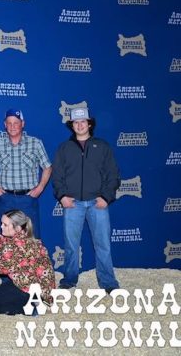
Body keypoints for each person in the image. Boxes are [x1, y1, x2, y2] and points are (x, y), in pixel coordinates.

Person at [52, 107, 121, 292]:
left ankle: (108, 282)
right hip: (72, 204)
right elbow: (57, 175)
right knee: (71, 245)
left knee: (103, 245)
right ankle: (69, 279)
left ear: (89, 124)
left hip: (97, 204)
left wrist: (106, 197)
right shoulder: (64, 148)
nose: (80, 125)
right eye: (76, 122)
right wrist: (62, 196)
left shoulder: (102, 146)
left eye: (83, 121)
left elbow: (113, 174)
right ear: (72, 126)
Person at [0, 210, 55, 315]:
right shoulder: (23, 237)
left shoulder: (17, 246)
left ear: (17, 228)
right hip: (35, 284)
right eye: (1, 223)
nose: (1, 226)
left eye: (5, 225)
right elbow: (2, 243)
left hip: (32, 288)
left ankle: (33, 308)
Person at [0, 109, 52, 238]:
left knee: (32, 239)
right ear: (5, 124)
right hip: (5, 198)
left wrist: (40, 187)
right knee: (4, 241)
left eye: (16, 123)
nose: (12, 126)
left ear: (22, 124)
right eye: (9, 123)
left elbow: (47, 167)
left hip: (28, 199)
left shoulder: (35, 143)